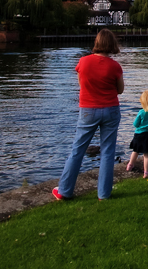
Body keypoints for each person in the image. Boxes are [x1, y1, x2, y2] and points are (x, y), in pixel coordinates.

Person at [53, 29, 124, 201]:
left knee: (78, 149)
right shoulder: (115, 66)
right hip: (111, 109)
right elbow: (120, 90)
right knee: (108, 151)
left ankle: (64, 190)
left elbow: (81, 84)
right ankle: (104, 194)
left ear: (97, 43)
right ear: (112, 44)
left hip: (88, 110)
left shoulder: (83, 62)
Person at [125, 90, 148, 179]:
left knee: (135, 150)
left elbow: (135, 124)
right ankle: (147, 172)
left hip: (139, 135)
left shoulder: (141, 112)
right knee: (147, 154)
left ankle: (130, 165)